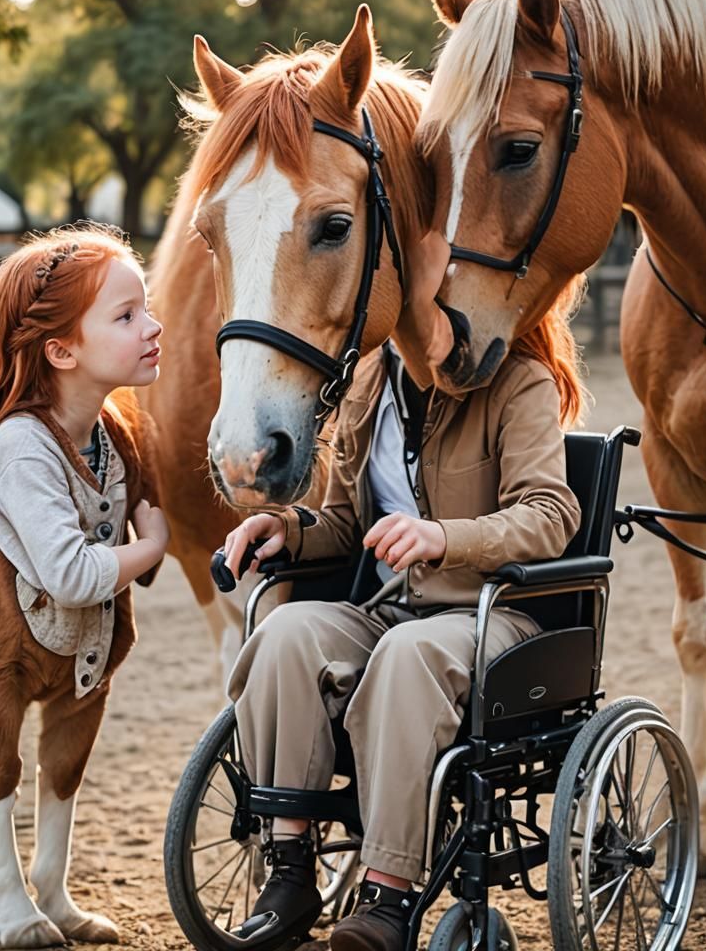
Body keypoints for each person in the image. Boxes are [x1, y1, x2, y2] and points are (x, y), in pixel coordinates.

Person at [221, 237, 587, 951]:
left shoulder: (519, 384)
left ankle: (387, 897)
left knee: (407, 657)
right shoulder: (367, 382)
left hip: (494, 616)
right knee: (286, 632)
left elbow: (551, 515)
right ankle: (291, 868)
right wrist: (284, 529)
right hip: (394, 608)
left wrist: (444, 537)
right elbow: (345, 523)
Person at [0, 223, 170, 700]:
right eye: (126, 317)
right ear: (62, 351)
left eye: (146, 308)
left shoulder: (110, 432)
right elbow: (71, 576)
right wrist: (151, 547)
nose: (154, 327)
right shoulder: (22, 450)